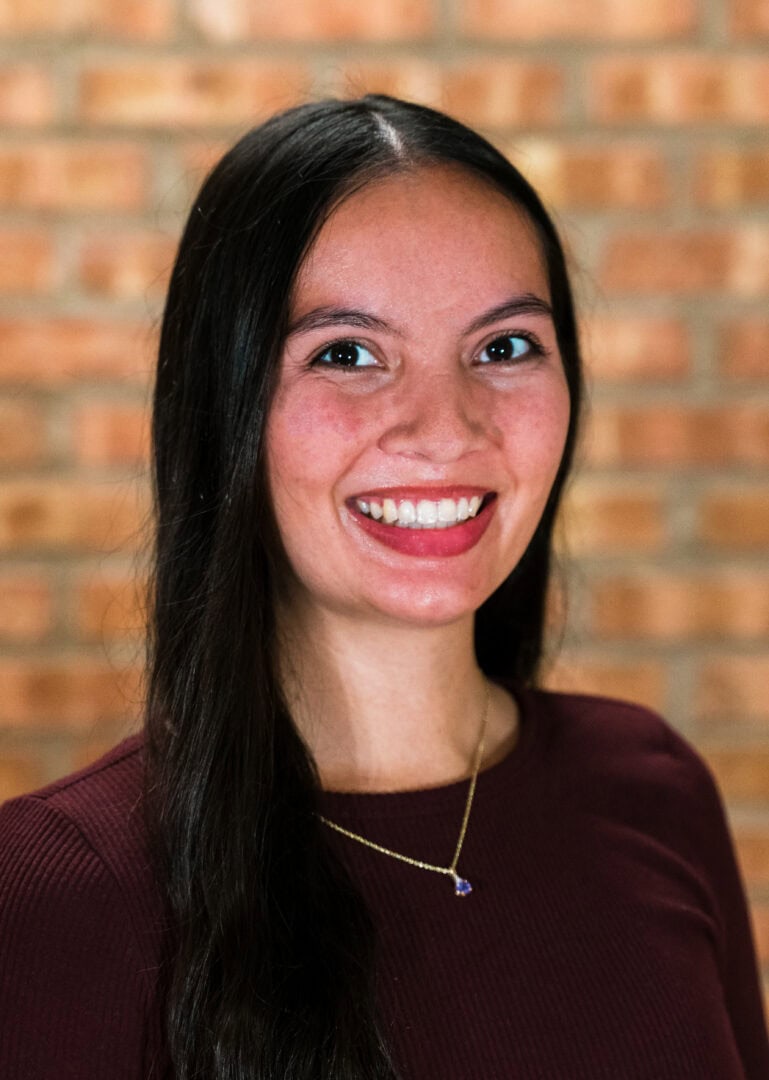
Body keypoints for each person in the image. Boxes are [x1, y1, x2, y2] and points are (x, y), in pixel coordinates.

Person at [0, 95, 767, 1080]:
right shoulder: (45, 902)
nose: (444, 427)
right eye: (347, 354)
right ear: (225, 408)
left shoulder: (651, 790)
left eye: (504, 347)